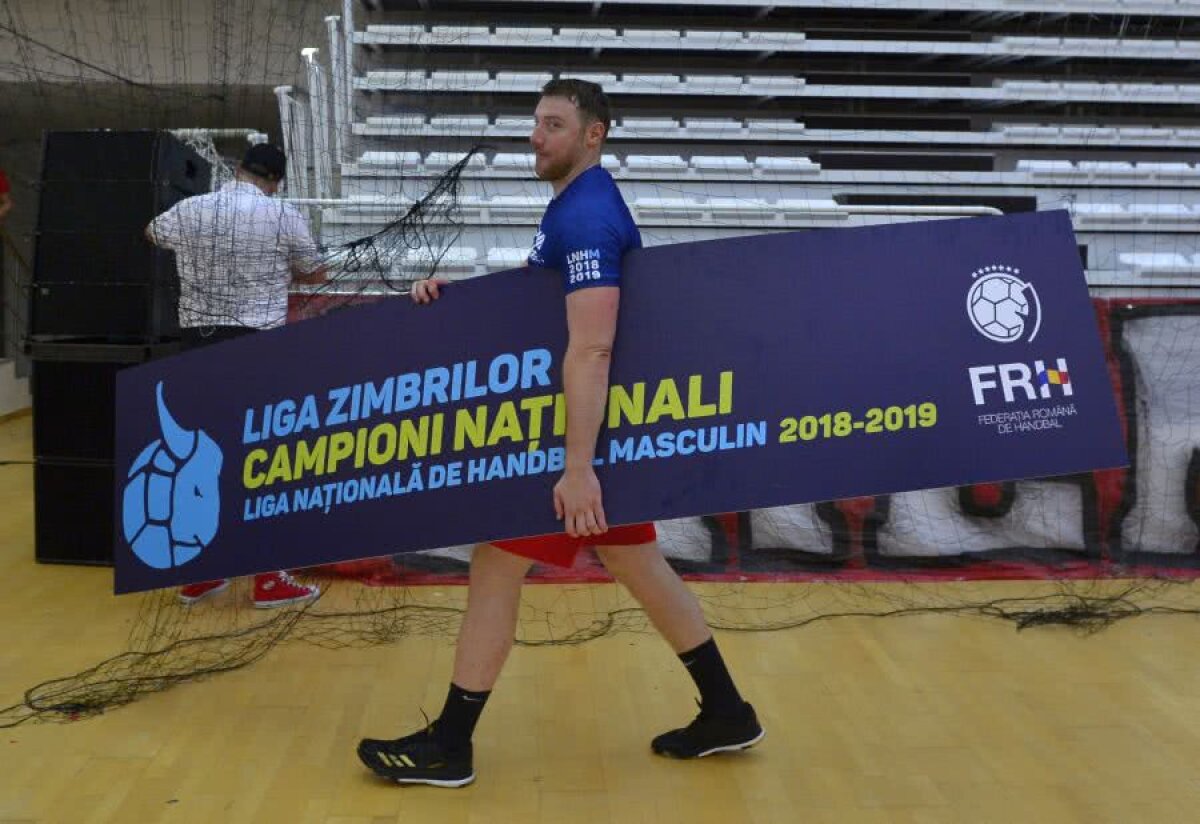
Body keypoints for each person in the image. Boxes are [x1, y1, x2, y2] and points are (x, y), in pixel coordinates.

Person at [357, 79, 763, 788]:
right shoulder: (572, 210)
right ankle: (728, 710)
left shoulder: (588, 219)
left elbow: (592, 348)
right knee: (640, 565)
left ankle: (451, 744)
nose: (536, 136)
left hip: (586, 446)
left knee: (494, 563)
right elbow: (536, 310)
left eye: (552, 124)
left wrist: (579, 469)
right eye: (535, 123)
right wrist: (457, 299)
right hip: (604, 440)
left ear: (593, 135)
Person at [145, 143, 326, 609]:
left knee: (202, 461)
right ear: (275, 182)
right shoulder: (282, 215)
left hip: (198, 349)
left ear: (238, 170)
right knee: (261, 463)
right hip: (255, 349)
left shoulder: (190, 207)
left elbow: (150, 233)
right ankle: (268, 578)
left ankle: (201, 573)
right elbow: (314, 273)